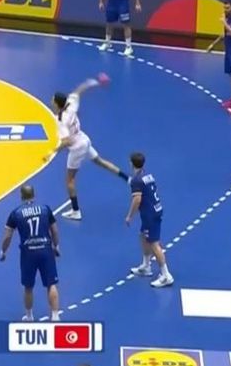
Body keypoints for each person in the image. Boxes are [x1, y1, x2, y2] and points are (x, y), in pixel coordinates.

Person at [43, 76, 129, 221]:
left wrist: (52, 151)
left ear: (57, 104)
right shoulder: (70, 104)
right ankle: (128, 179)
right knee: (99, 161)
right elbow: (78, 91)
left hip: (76, 148)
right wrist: (93, 83)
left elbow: (67, 141)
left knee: (69, 180)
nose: (51, 101)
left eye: (53, 100)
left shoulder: (61, 121)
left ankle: (76, 211)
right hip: (84, 139)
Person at [0, 184, 61, 322]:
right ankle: (55, 316)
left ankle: (29, 316)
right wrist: (56, 246)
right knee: (51, 284)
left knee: (28, 286)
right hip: (45, 250)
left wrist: (3, 251)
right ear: (34, 195)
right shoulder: (45, 209)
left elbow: (8, 236)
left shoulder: (16, 213)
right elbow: (54, 231)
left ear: (21, 196)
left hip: (28, 254)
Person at [124, 152, 173, 287]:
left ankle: (165, 275)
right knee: (143, 236)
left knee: (154, 244)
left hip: (150, 215)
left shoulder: (136, 181)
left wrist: (129, 216)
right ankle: (146, 266)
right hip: (155, 210)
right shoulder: (148, 176)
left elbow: (137, 199)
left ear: (131, 163)